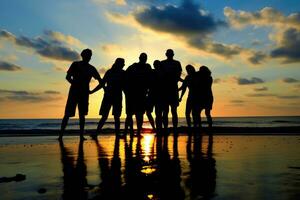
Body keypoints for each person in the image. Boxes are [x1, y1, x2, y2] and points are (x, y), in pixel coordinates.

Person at [59, 49, 102, 141]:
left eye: (90, 55)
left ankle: (80, 136)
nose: (89, 57)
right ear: (83, 55)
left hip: (83, 93)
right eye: (87, 55)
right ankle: (61, 136)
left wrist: (92, 91)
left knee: (82, 115)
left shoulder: (91, 68)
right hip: (74, 92)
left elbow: (101, 81)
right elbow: (67, 77)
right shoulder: (75, 64)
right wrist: (75, 84)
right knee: (68, 114)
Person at [90, 58, 125, 137]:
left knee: (114, 117)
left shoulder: (121, 73)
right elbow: (102, 83)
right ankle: (97, 133)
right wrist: (92, 91)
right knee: (107, 116)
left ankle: (116, 134)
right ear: (118, 64)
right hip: (110, 96)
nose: (124, 65)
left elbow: (125, 86)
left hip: (114, 96)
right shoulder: (111, 72)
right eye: (123, 63)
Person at [124, 53, 152, 136]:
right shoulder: (133, 66)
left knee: (139, 114)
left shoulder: (147, 67)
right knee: (130, 114)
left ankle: (138, 132)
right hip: (133, 93)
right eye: (143, 58)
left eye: (145, 58)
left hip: (142, 93)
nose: (144, 59)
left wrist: (148, 90)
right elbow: (126, 77)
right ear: (139, 58)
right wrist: (126, 90)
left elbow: (150, 78)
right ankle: (128, 132)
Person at [160, 49, 182, 132]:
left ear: (173, 54)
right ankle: (165, 128)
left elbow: (178, 74)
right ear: (166, 54)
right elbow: (160, 75)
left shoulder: (177, 63)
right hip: (165, 89)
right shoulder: (162, 63)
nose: (169, 55)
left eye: (170, 53)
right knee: (165, 111)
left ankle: (175, 128)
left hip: (172, 89)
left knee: (173, 111)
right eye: (168, 53)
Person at [179, 65, 196, 129]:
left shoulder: (196, 76)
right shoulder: (187, 77)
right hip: (190, 96)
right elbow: (183, 88)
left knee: (194, 113)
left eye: (188, 69)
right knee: (187, 113)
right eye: (187, 70)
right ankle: (190, 126)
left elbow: (183, 88)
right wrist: (180, 96)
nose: (188, 71)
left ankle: (195, 126)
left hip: (196, 97)